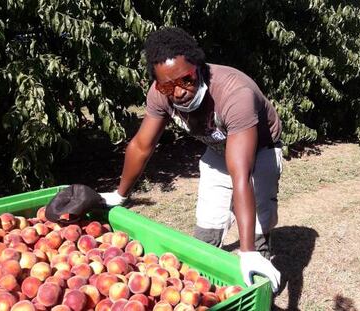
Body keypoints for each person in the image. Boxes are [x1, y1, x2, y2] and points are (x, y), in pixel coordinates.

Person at [100, 27, 283, 293]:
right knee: (206, 229)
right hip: (218, 149)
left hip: (260, 150)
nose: (179, 92)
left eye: (186, 80)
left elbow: (241, 174)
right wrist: (120, 194)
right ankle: (205, 293)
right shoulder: (161, 94)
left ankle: (260, 286)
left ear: (198, 67)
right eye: (167, 85)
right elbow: (142, 145)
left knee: (256, 229)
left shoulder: (234, 93)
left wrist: (247, 252)